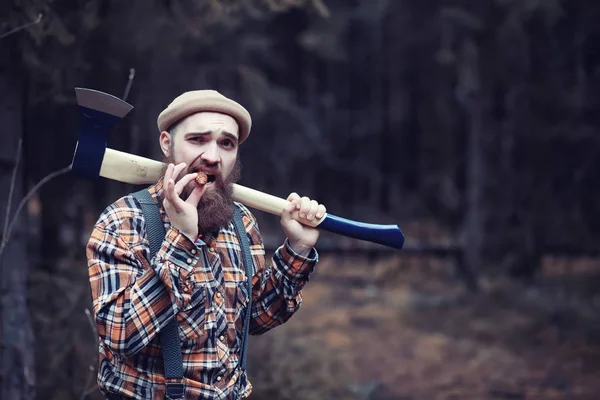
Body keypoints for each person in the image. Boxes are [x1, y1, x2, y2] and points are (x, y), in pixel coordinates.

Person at [86, 90, 326, 399]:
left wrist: (298, 250)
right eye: (197, 139)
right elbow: (119, 336)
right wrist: (181, 240)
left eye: (226, 143)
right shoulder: (123, 222)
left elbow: (255, 318)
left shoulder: (241, 222)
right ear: (166, 144)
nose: (213, 156)